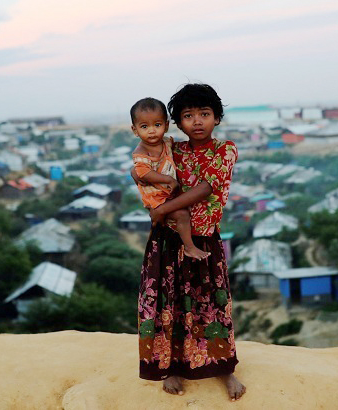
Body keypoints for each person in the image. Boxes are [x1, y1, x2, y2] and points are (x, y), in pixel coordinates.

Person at [135, 84, 246, 401]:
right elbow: (144, 159)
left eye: (204, 114)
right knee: (169, 305)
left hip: (205, 239)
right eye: (188, 115)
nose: (197, 121)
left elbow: (206, 189)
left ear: (217, 118)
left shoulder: (225, 150)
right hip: (168, 239)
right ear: (177, 122)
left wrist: (162, 210)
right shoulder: (173, 149)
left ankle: (225, 369)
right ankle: (170, 368)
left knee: (212, 304)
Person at [130, 97, 210, 260]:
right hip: (156, 197)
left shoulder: (167, 142)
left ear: (166, 126)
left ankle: (159, 231)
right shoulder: (141, 152)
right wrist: (168, 180)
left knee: (179, 214)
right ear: (135, 130)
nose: (152, 131)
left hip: (168, 195)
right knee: (181, 215)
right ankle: (189, 247)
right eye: (144, 126)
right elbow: (143, 173)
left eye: (157, 125)